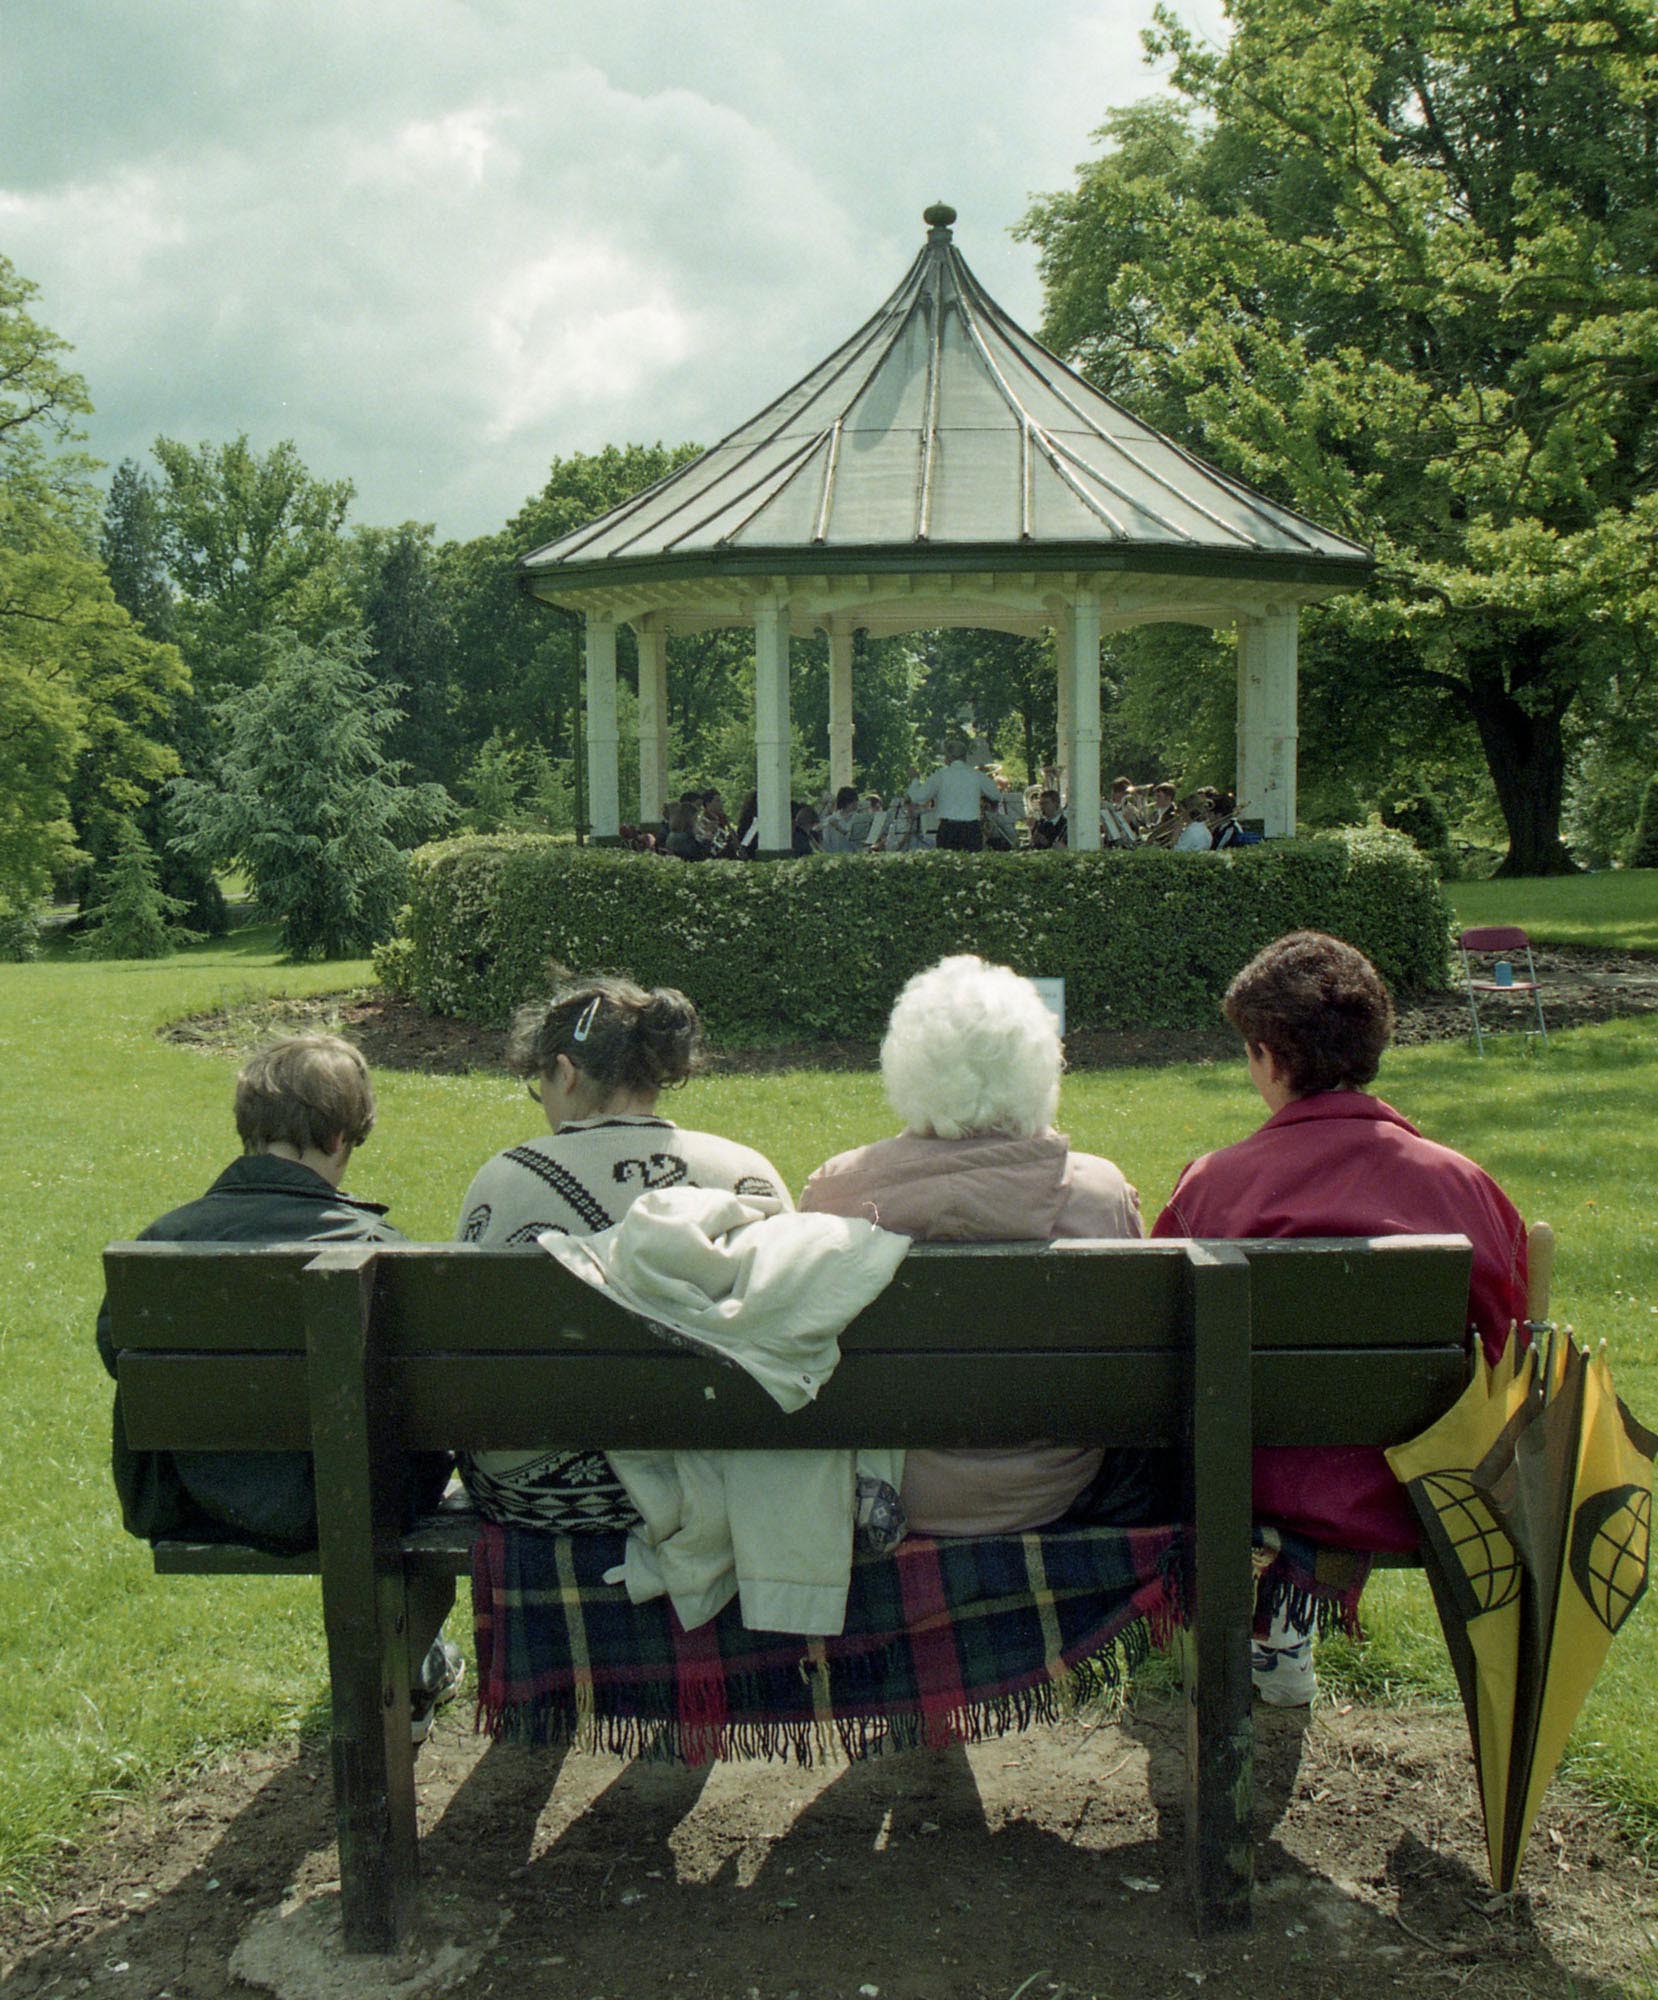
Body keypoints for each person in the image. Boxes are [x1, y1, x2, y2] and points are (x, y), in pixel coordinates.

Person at [1151, 931, 1527, 1701]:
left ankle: (1261, 1632)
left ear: (1268, 1057)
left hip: (1244, 1483)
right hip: (1418, 1486)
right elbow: (1507, 1344)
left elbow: (1160, 1354)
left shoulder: (1214, 1188)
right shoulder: (1465, 1187)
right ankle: (1281, 1636)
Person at [94, 1036, 461, 1733]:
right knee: (420, 1494)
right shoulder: (385, 1255)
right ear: (337, 1137)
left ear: (250, 1130)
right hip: (363, 1502)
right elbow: (432, 1411)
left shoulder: (158, 1249)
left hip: (207, 1498)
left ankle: (408, 1670)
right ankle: (411, 1667)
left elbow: (119, 1354)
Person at [800, 954, 1160, 1535]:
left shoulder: (837, 1192)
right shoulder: (1101, 1193)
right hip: (1058, 1485)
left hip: (889, 1483)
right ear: (1041, 1067)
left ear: (906, 1067)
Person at [455, 976, 792, 1532]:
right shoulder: (748, 1175)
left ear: (564, 1072)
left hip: (534, 1492)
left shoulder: (503, 1180)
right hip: (724, 1478)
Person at [907, 735, 1002, 851]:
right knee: (973, 866)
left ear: (947, 758)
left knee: (947, 866)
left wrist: (915, 779)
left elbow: (918, 798)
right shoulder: (977, 775)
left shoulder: (940, 775)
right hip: (971, 830)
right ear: (965, 757)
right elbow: (996, 795)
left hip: (948, 830)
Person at [820, 785, 864, 852]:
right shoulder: (830, 819)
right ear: (846, 802)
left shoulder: (859, 819)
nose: (856, 803)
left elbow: (859, 844)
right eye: (852, 801)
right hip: (834, 858)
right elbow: (826, 843)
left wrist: (839, 828)